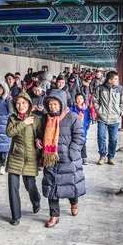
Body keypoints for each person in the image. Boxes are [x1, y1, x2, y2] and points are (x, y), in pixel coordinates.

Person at [37, 89, 85, 227]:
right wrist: (38, 140)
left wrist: (72, 153)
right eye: (50, 104)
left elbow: (79, 137)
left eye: (55, 104)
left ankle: (74, 202)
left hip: (67, 159)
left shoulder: (72, 117)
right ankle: (54, 214)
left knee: (70, 185)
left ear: (62, 104)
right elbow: (40, 133)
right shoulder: (45, 118)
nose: (52, 107)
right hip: (50, 158)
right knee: (52, 187)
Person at [5, 92, 42, 226]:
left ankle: (36, 200)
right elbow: (9, 133)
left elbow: (40, 135)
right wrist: (24, 123)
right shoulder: (12, 119)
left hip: (30, 158)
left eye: (24, 103)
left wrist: (38, 140)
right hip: (15, 156)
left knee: (30, 186)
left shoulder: (36, 119)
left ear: (29, 104)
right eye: (18, 103)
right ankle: (15, 216)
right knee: (13, 187)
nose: (21, 106)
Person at [93, 71, 123, 165]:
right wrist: (99, 110)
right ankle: (102, 156)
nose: (117, 81)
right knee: (101, 137)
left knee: (113, 139)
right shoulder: (100, 88)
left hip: (115, 118)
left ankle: (111, 157)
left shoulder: (121, 89)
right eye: (115, 79)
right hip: (102, 117)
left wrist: (120, 112)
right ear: (109, 80)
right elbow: (95, 100)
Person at [70, 93, 91, 165]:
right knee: (75, 142)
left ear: (83, 100)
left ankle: (84, 157)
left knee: (83, 141)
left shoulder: (86, 109)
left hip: (83, 128)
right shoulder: (72, 109)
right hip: (74, 128)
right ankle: (75, 157)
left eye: (81, 98)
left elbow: (88, 119)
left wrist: (86, 126)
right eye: (78, 99)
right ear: (75, 100)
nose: (79, 100)